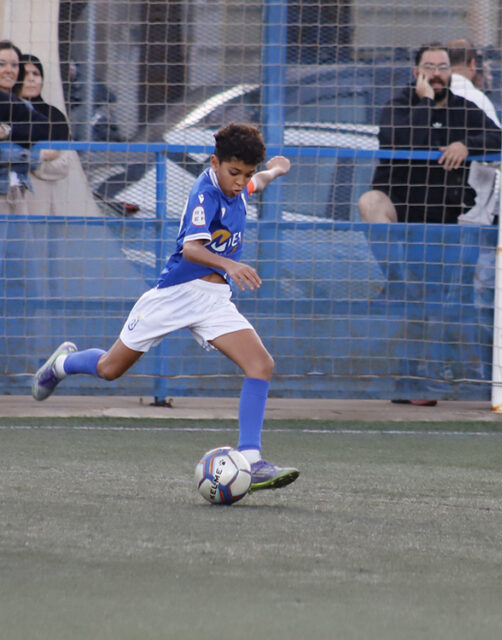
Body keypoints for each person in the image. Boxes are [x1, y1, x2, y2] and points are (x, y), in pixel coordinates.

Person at [30, 123, 300, 493]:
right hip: (175, 295)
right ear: (214, 162)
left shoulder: (240, 187)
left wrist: (275, 171)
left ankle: (252, 461)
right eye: (234, 173)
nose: (240, 182)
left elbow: (258, 183)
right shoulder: (204, 193)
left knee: (261, 364)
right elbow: (192, 249)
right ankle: (61, 364)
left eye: (246, 173)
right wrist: (231, 265)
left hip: (214, 301)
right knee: (110, 369)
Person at [358, 42, 502, 224]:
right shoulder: (398, 105)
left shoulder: (463, 108)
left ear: (451, 72)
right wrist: (426, 101)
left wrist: (466, 146)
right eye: (429, 67)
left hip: (445, 214)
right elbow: (399, 141)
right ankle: (394, 255)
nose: (436, 74)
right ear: (416, 72)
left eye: (443, 68)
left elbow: (499, 137)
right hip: (398, 206)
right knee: (370, 202)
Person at [445, 38, 501, 225]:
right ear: (472, 63)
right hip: (472, 206)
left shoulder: (430, 95)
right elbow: (497, 152)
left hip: (430, 203)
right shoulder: (479, 100)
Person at [0, 41, 56, 214]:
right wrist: (35, 154)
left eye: (15, 65)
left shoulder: (24, 106)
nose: (9, 70)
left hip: (19, 192)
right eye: (2, 64)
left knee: (23, 240)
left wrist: (7, 132)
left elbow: (45, 130)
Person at [16, 54, 72, 216]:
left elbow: (63, 164)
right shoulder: (7, 110)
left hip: (43, 203)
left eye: (36, 74)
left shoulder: (54, 116)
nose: (31, 79)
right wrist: (38, 156)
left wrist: (23, 161)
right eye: (25, 74)